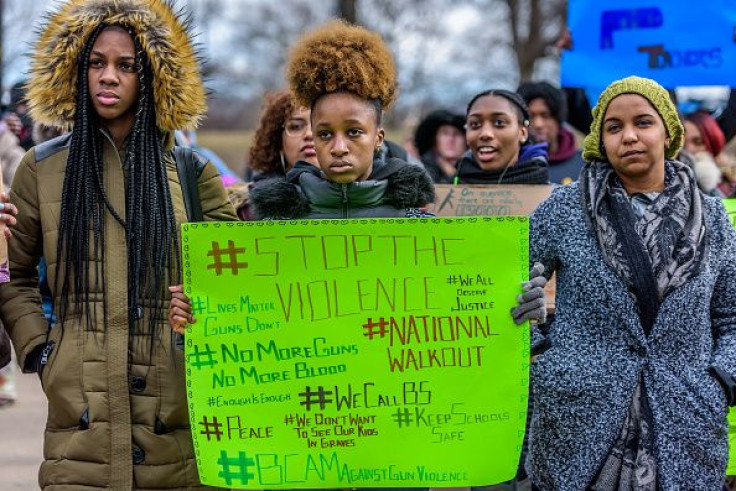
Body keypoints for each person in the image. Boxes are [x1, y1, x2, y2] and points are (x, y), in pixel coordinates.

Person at [0, 1, 236, 489]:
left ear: (151, 76)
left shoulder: (192, 174)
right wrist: (43, 354)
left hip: (177, 431)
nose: (109, 77)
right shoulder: (40, 170)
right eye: (96, 63)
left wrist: (199, 314)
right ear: (76, 70)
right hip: (79, 430)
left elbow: (233, 286)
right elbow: (15, 275)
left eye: (126, 65)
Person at [528, 76, 736, 490]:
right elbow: (503, 291)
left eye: (643, 122)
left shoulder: (713, 218)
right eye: (614, 127)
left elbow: (732, 316)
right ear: (600, 140)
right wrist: (544, 361)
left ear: (668, 131)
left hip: (685, 421)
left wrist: (720, 383)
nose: (629, 136)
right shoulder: (563, 210)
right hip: (579, 419)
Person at [454, 89, 549, 185]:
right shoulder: (445, 192)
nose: (485, 134)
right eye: (475, 124)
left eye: (499, 123)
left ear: (523, 133)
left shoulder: (554, 197)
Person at [518, 81, 585, 184]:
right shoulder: (511, 168)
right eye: (530, 116)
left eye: (545, 115)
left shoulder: (584, 165)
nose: (538, 124)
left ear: (558, 120)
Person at [413, 109, 467, 183]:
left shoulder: (477, 172)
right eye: (445, 133)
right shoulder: (421, 172)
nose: (450, 139)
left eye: (456, 134)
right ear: (435, 140)